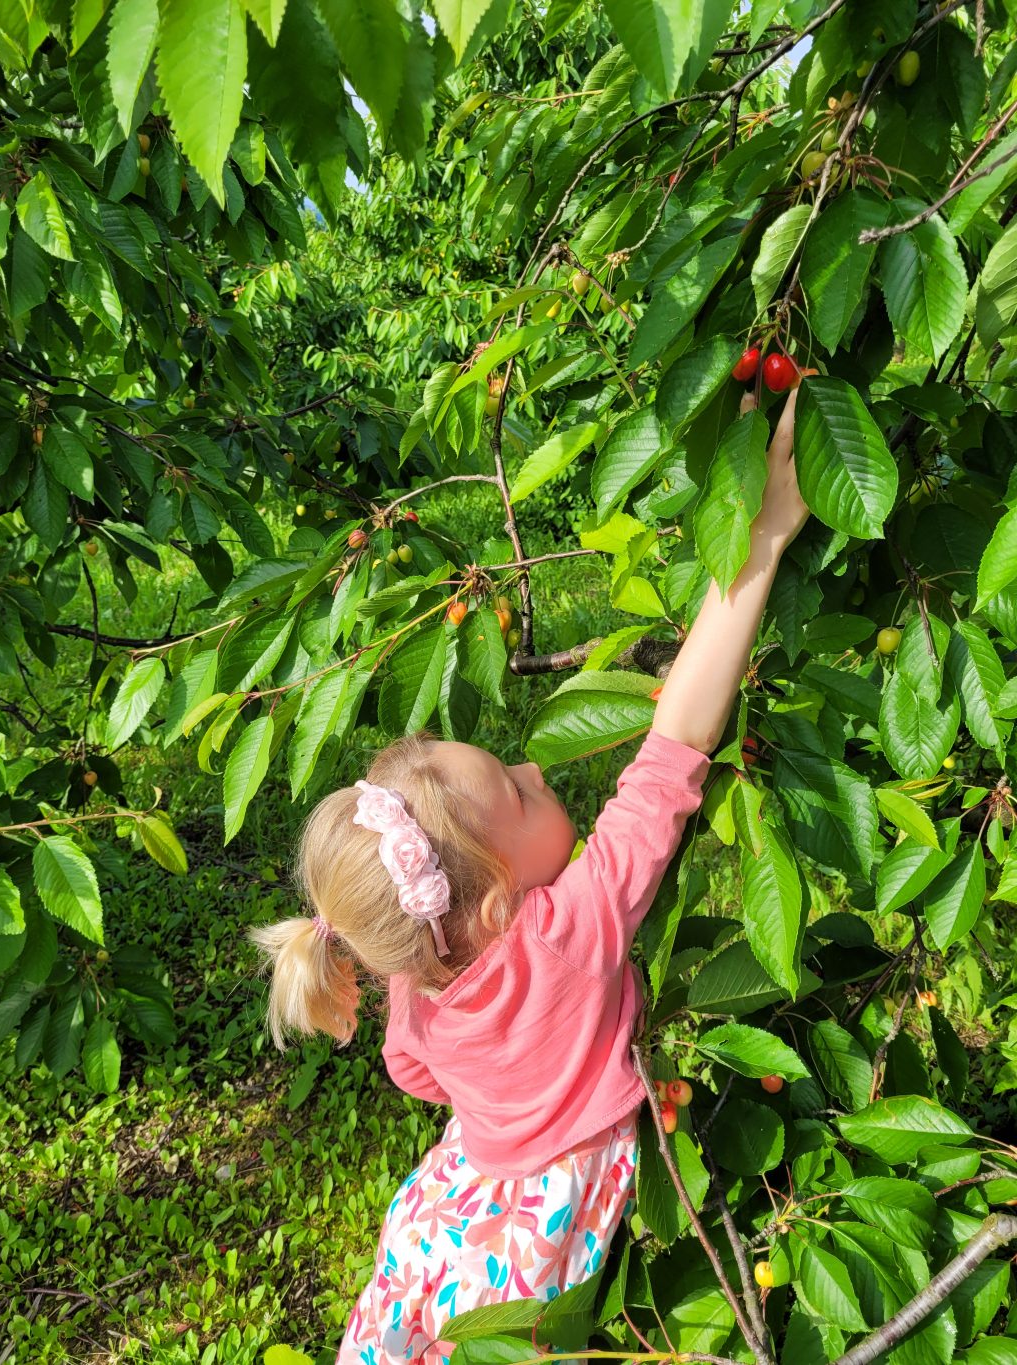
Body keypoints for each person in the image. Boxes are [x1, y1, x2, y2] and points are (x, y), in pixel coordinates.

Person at [250, 381, 810, 1363]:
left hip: (453, 1205)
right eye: (518, 791)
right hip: (531, 1244)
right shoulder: (568, 934)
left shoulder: (417, 973)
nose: (537, 767)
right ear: (501, 906)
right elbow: (675, 745)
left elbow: (414, 1071)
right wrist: (762, 536)